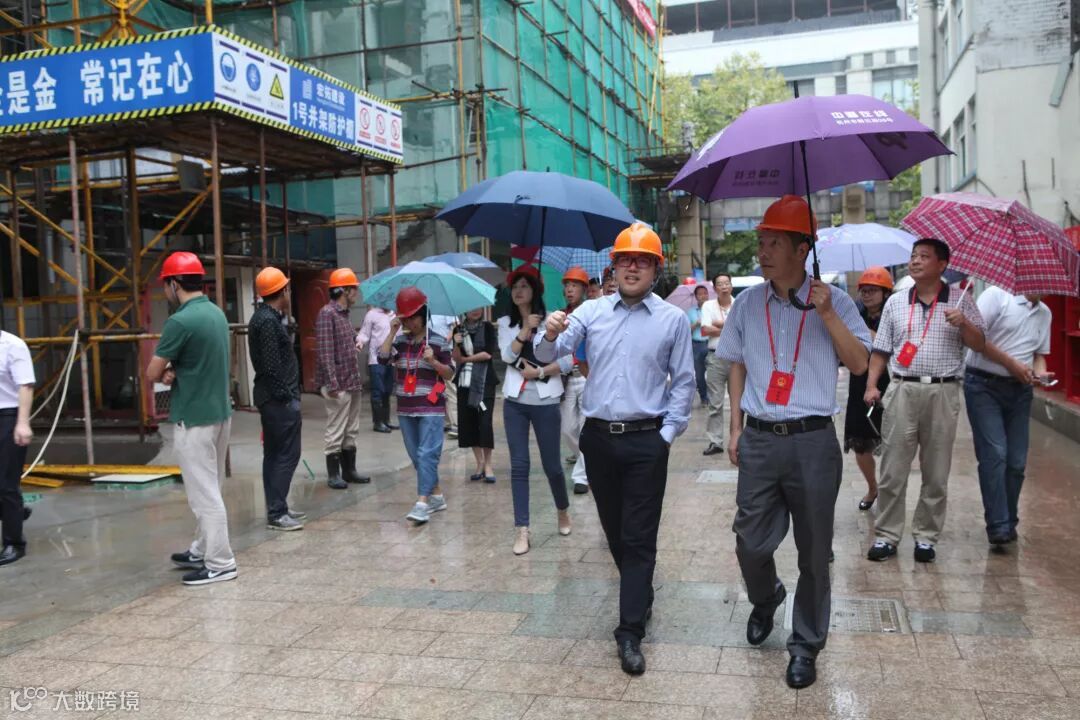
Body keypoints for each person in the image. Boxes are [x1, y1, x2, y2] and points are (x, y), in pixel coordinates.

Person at [715, 195, 871, 689]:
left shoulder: (836, 301)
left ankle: (805, 644)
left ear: (803, 249)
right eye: (761, 242)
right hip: (760, 438)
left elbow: (860, 364)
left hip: (813, 441)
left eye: (774, 243)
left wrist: (827, 315)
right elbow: (736, 363)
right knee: (749, 542)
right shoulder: (747, 304)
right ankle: (766, 598)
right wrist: (735, 426)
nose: (763, 252)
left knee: (814, 550)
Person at [536, 222, 695, 677]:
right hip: (599, 440)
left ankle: (629, 632)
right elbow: (547, 354)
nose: (632, 267)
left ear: (655, 269)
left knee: (639, 536)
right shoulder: (590, 311)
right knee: (616, 534)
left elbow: (684, 383)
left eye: (642, 261)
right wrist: (550, 331)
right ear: (613, 268)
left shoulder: (671, 320)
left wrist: (666, 436)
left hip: (647, 440)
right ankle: (639, 592)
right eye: (625, 259)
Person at [866, 238, 986, 564]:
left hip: (943, 391)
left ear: (942, 265)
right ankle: (887, 535)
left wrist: (964, 323)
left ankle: (926, 537)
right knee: (892, 468)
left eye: (924, 256)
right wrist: (872, 385)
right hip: (902, 389)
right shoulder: (896, 302)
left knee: (936, 470)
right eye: (913, 256)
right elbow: (881, 350)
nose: (915, 261)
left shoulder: (962, 301)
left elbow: (980, 344)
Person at [146, 252, 239, 586]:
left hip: (194, 418)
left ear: (174, 284)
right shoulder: (216, 313)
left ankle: (221, 563)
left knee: (204, 495)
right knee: (213, 487)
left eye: (165, 285)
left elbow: (152, 371)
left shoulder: (180, 321)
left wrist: (167, 370)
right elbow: (200, 360)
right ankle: (202, 549)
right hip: (220, 413)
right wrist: (177, 369)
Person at [963, 286, 1052, 546]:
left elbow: (1038, 356)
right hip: (983, 386)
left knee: (1016, 461)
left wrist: (1040, 374)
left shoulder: (1044, 313)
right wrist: (1012, 364)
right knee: (995, 454)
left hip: (1020, 391)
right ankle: (999, 525)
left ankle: (1008, 520)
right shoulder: (996, 297)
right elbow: (976, 340)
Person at [500, 266, 572, 555]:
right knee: (519, 466)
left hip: (546, 401)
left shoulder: (552, 320)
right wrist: (525, 329)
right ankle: (522, 529)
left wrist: (540, 372)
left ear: (535, 290)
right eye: (515, 287)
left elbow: (568, 361)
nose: (519, 291)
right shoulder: (505, 323)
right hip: (514, 403)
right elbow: (507, 357)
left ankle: (562, 510)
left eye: (524, 286)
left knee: (552, 465)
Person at [379, 288, 455, 524]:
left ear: (423, 315)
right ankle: (437, 496)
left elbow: (450, 373)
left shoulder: (438, 341)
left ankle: (422, 503)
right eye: (405, 318)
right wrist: (392, 331)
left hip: (431, 406)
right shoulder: (401, 342)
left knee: (426, 453)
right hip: (405, 407)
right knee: (416, 456)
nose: (409, 322)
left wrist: (433, 361)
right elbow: (382, 358)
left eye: (413, 317)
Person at [248, 267, 305, 532]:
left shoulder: (265, 317)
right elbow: (272, 367)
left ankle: (277, 506)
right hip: (278, 400)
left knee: (273, 455)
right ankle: (277, 512)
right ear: (282, 291)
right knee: (286, 455)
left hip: (271, 398)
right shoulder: (268, 322)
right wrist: (287, 397)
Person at [315, 268, 370, 489]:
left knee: (351, 428)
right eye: (354, 288)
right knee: (336, 428)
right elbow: (325, 352)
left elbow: (345, 339)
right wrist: (332, 383)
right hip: (338, 383)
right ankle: (333, 474)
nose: (356, 292)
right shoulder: (327, 313)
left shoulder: (343, 315)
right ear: (344, 291)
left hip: (351, 380)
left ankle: (349, 471)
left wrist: (356, 340)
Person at [844, 267, 893, 512]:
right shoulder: (853, 314)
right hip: (859, 383)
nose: (867, 295)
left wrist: (872, 335)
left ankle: (891, 490)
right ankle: (873, 487)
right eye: (864, 290)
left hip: (890, 382)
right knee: (860, 441)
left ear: (885, 293)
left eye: (873, 290)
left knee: (892, 441)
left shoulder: (894, 314)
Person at [451, 308, 499, 483]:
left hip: (485, 381)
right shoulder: (458, 330)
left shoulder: (488, 328)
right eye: (472, 308)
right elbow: (456, 358)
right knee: (469, 423)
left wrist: (466, 360)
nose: (476, 311)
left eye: (479, 307)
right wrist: (456, 344)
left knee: (485, 423)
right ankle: (479, 463)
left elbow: (487, 354)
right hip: (465, 382)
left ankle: (488, 465)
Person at [0, 329, 34, 567]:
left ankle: (14, 543)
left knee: (6, 483)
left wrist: (22, 423)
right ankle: (15, 513)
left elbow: (26, 385)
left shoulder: (12, 345)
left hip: (8, 416)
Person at [560, 266, 591, 495]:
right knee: (567, 428)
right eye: (567, 286)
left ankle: (582, 476)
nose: (570, 290)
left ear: (584, 289)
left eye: (575, 286)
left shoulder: (592, 313)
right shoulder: (561, 316)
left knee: (585, 427)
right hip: (565, 378)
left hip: (588, 375)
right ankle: (590, 458)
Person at [700, 273, 734, 456]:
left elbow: (742, 330)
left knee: (739, 403)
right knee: (715, 402)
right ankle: (716, 441)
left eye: (727, 283)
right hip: (715, 358)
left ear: (731, 285)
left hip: (737, 359)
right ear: (715, 288)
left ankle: (738, 439)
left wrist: (719, 325)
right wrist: (730, 327)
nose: (724, 286)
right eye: (720, 284)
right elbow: (705, 329)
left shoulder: (738, 304)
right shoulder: (708, 305)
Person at [356, 305, 398, 434]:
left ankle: (386, 420)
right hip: (376, 359)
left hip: (391, 359)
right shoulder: (372, 314)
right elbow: (364, 333)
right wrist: (360, 342)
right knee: (378, 390)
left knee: (388, 390)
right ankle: (378, 422)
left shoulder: (394, 315)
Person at [430, 313, 459, 439]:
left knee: (450, 389)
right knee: (436, 388)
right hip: (430, 356)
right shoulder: (426, 312)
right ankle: (444, 421)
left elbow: (456, 326)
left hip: (445, 354)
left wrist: (446, 339)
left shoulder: (445, 309)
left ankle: (457, 424)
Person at [687, 285, 711, 407]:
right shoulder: (690, 312)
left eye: (705, 293)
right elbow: (686, 330)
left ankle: (713, 397)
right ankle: (704, 397)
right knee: (699, 374)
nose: (703, 296)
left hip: (711, 343)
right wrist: (696, 323)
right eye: (700, 294)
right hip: (697, 345)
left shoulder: (713, 309)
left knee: (714, 373)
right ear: (696, 297)